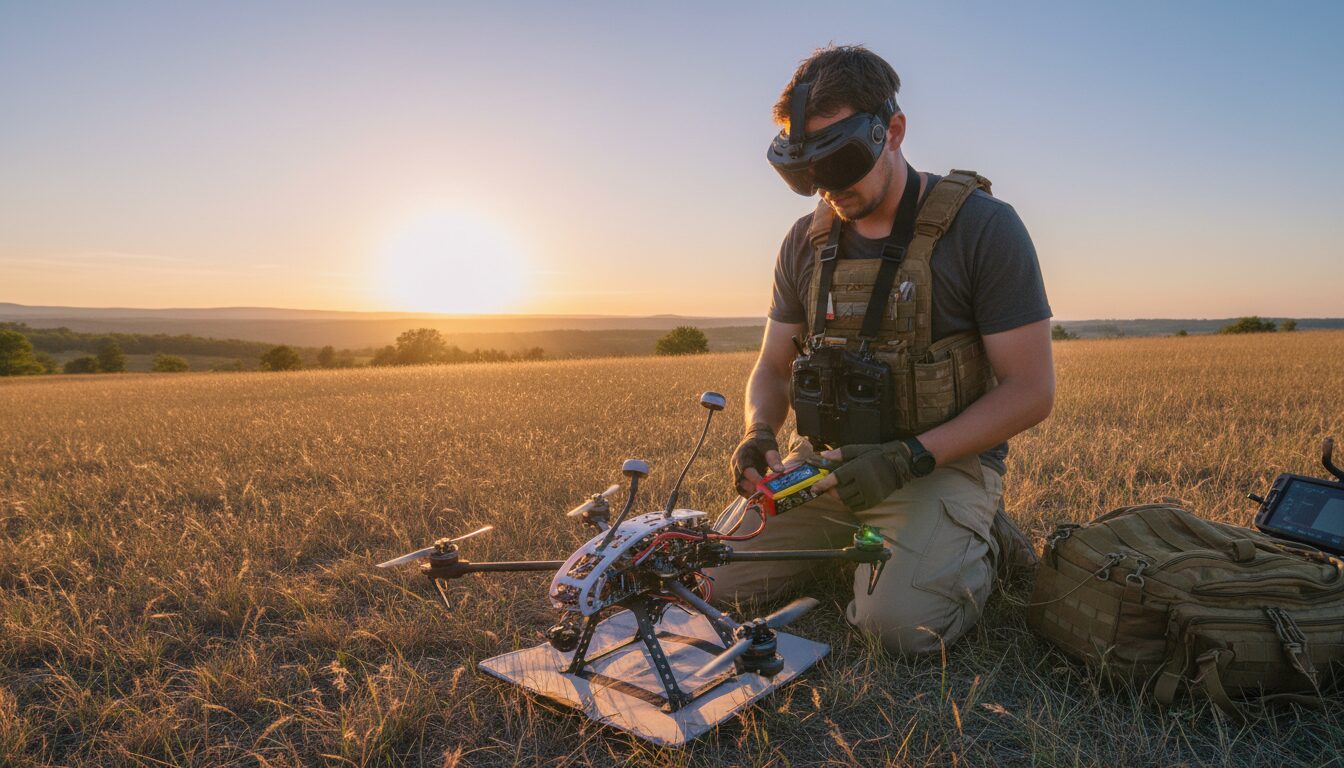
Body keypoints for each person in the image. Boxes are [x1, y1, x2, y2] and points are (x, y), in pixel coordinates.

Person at [707, 45, 1055, 655]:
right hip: (824, 466)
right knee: (705, 581)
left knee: (899, 629)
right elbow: (773, 364)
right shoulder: (806, 240)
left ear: (892, 131)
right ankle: (880, 542)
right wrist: (758, 429)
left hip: (937, 466)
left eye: (841, 161)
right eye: (807, 171)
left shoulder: (984, 228)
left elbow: (1030, 391)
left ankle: (977, 535)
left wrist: (905, 459)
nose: (827, 188)